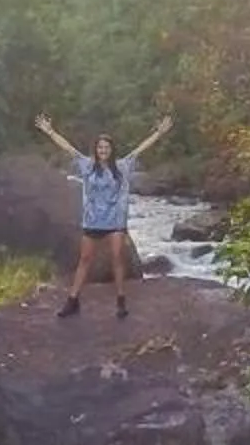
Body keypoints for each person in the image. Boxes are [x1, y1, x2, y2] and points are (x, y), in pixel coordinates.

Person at [34, 110, 171, 318]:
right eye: (100, 147)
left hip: (115, 221)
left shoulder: (122, 167)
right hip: (93, 221)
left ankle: (121, 301)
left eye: (106, 147)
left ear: (111, 150)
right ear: (96, 150)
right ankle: (73, 301)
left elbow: (139, 150)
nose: (103, 150)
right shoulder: (87, 166)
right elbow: (68, 148)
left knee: (117, 258)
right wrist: (50, 131)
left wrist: (159, 133)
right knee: (85, 260)